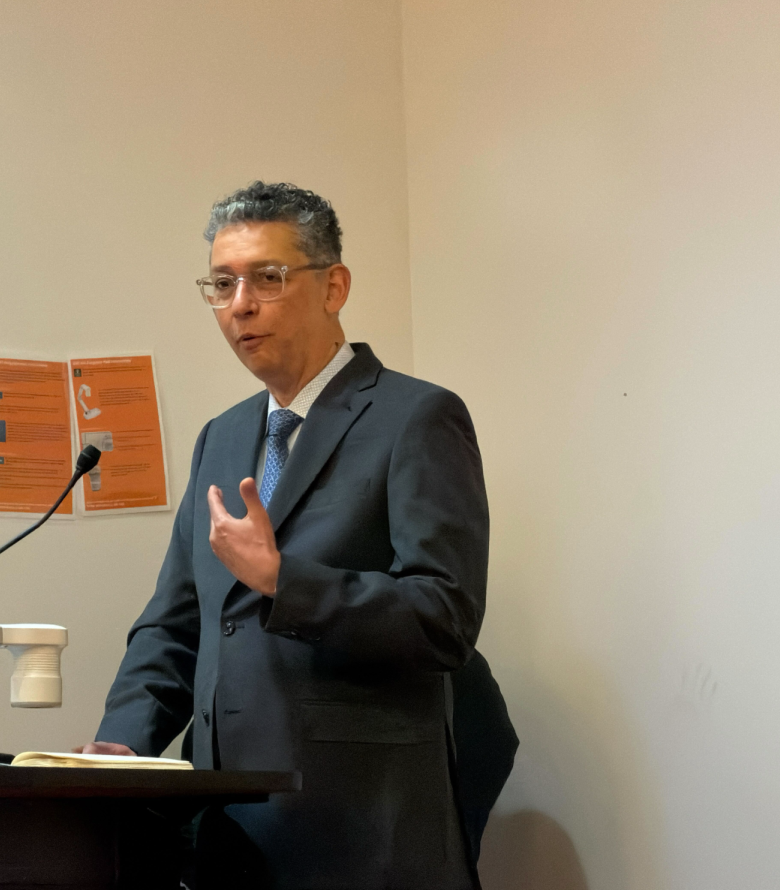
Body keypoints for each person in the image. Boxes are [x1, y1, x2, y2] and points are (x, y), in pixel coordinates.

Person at [80, 181, 501, 889]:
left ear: (334, 287)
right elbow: (176, 623)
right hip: (226, 826)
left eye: (267, 279)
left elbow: (445, 618)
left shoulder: (416, 417)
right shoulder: (222, 436)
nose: (240, 305)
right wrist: (123, 742)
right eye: (222, 284)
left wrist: (284, 582)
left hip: (361, 828)